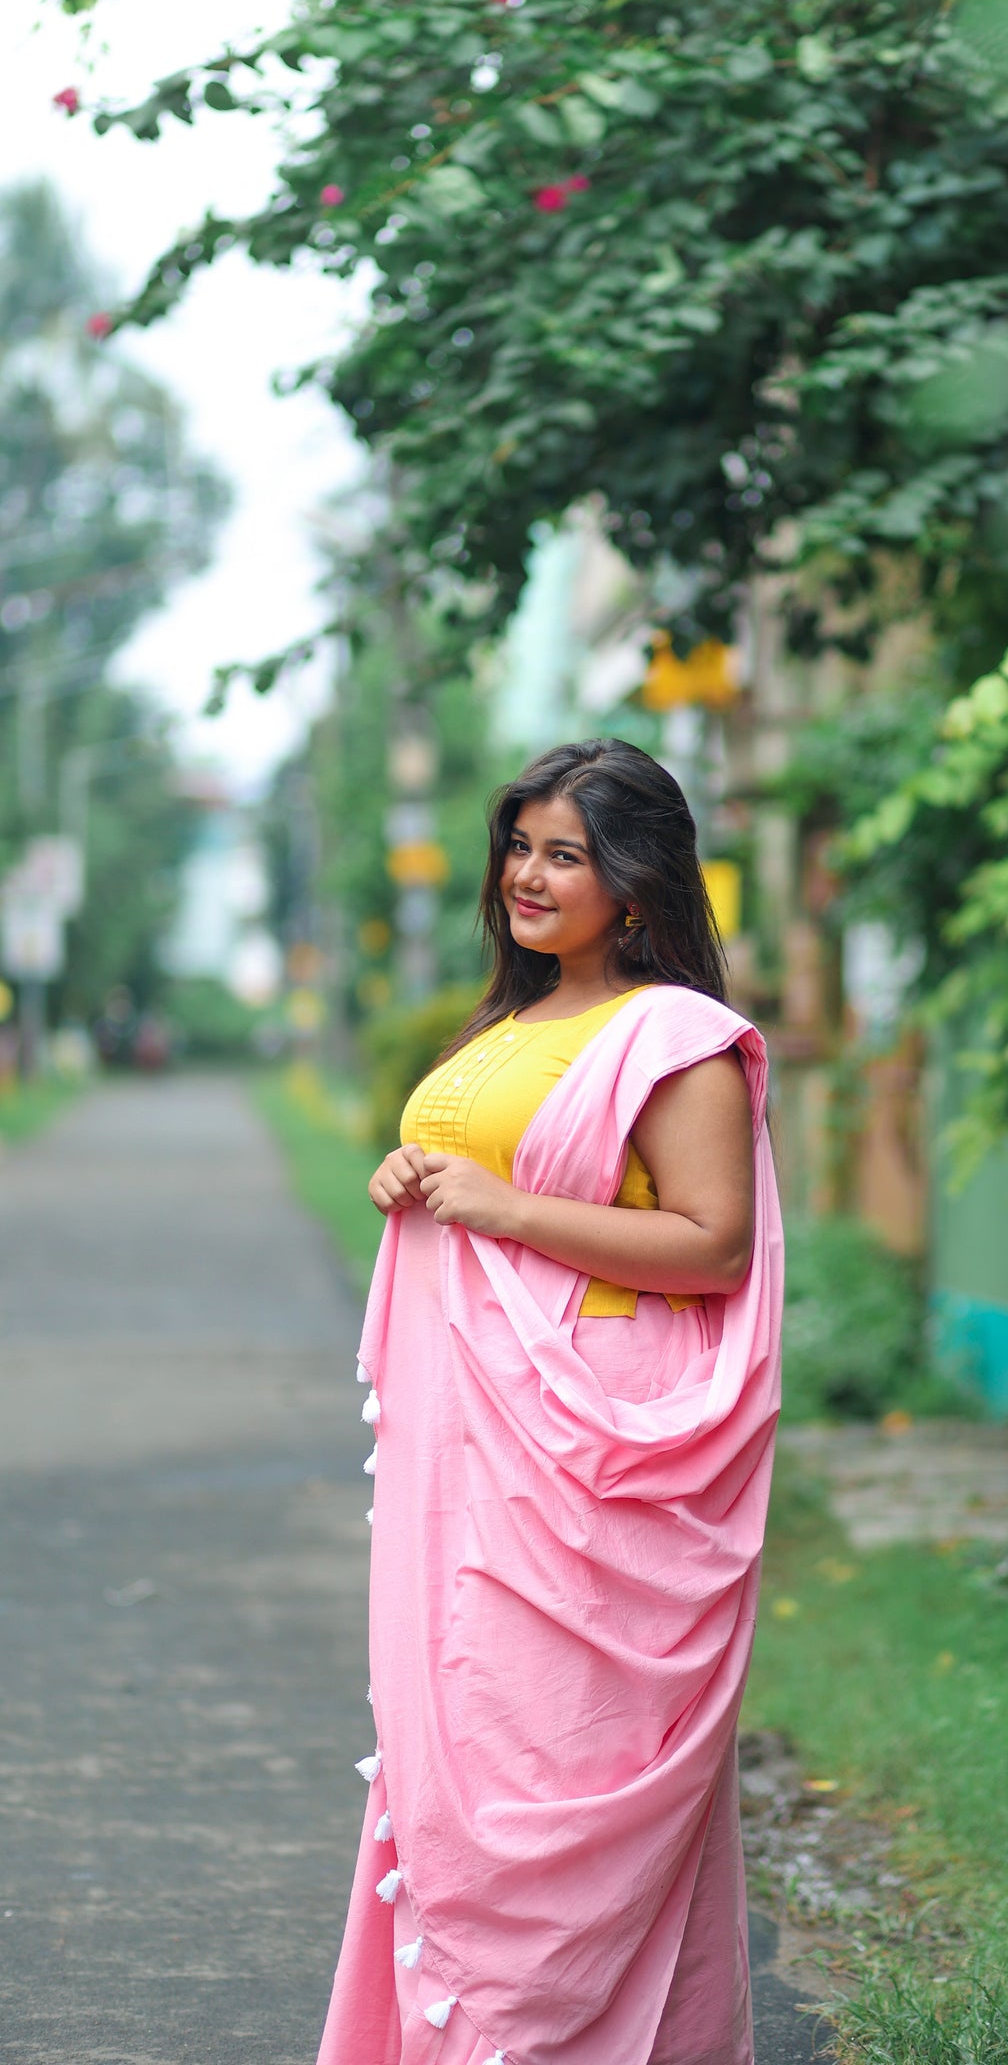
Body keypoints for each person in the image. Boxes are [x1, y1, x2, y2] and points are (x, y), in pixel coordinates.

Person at [316, 739, 783, 2065]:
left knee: (547, 1773)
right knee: (452, 1755)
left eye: (563, 852)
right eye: (519, 845)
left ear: (632, 883)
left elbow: (712, 1244)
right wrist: (415, 1180)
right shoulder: (510, 1024)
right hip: (469, 1455)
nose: (527, 873)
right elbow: (484, 1184)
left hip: (592, 1466)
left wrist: (503, 1207)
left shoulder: (674, 1035)